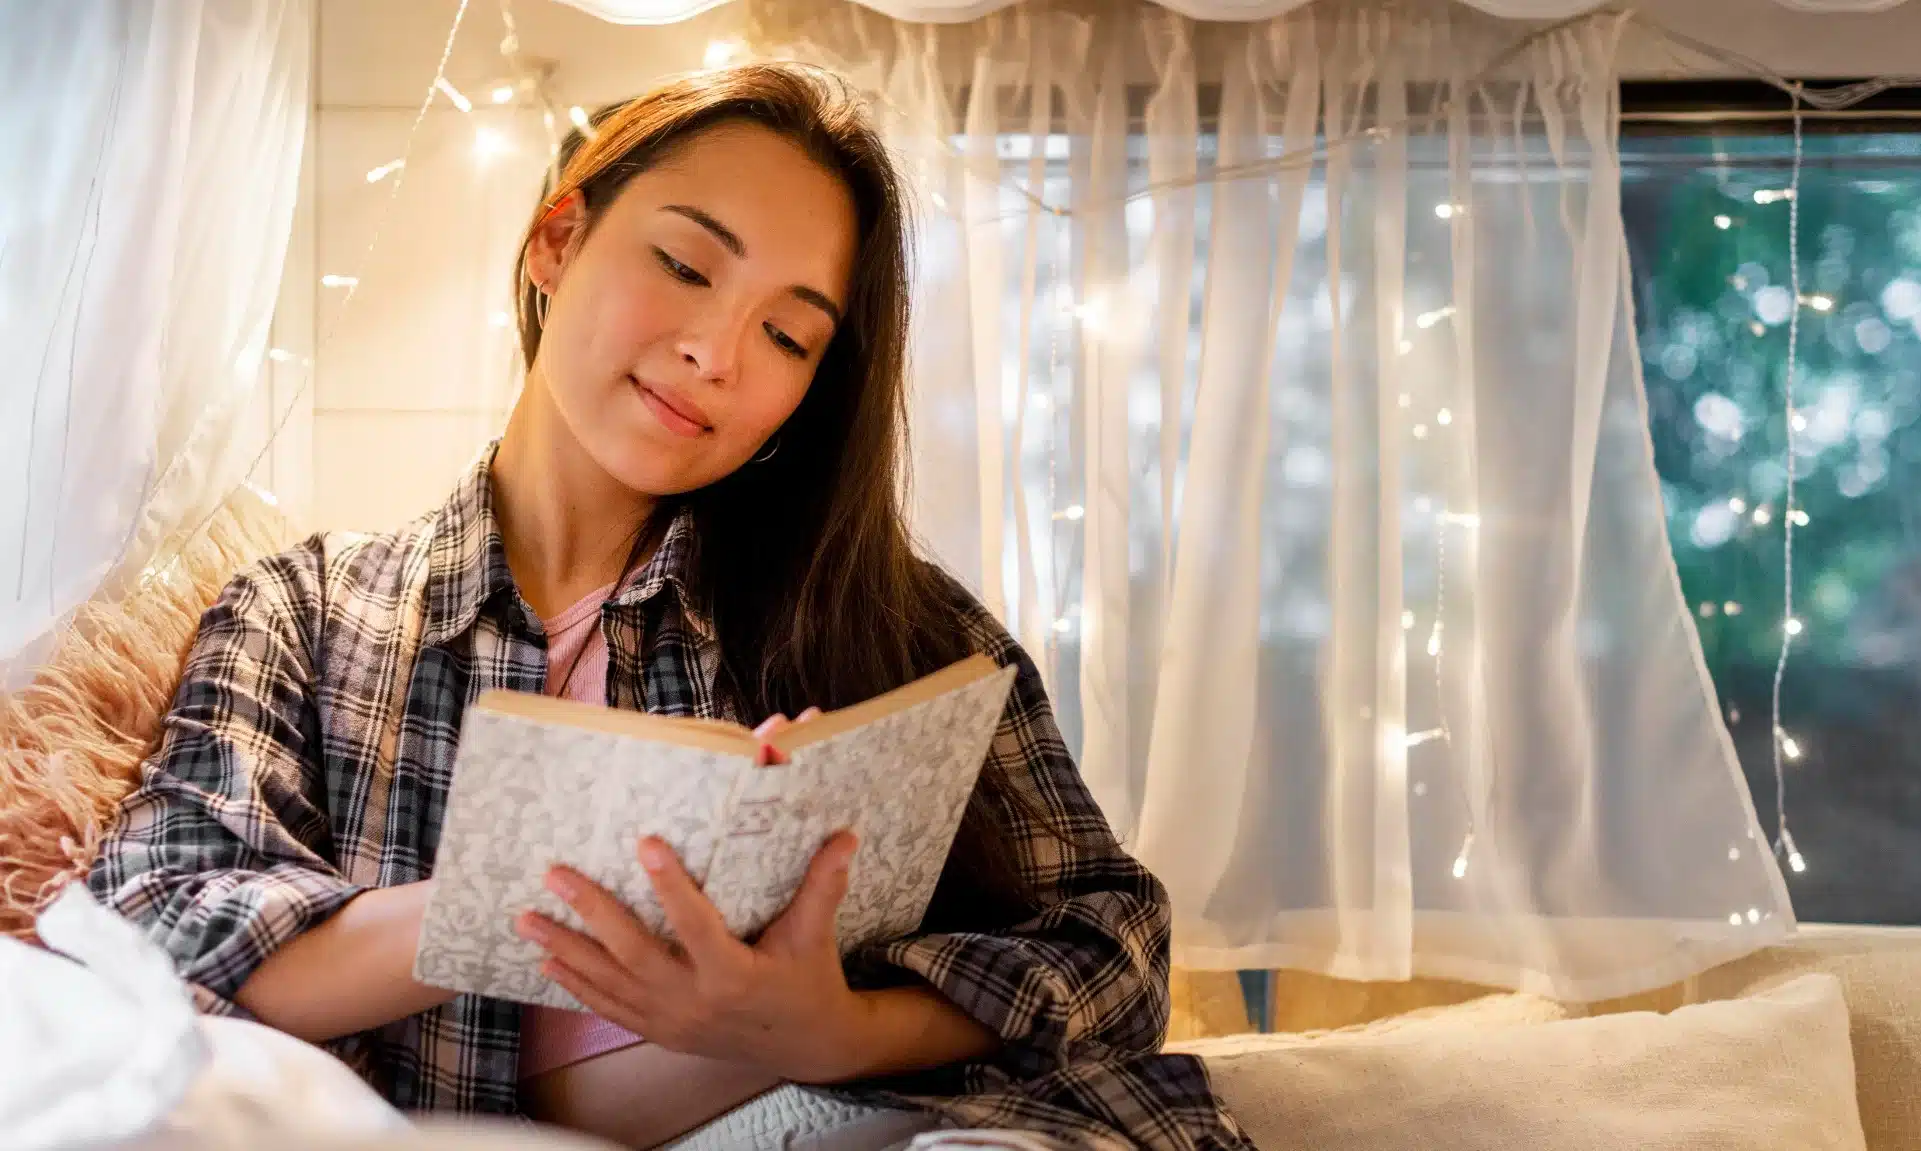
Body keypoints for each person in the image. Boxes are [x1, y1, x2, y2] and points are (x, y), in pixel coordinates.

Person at [88, 64, 1249, 1151]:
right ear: (558, 239)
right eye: (687, 267)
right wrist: (567, 866)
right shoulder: (310, 609)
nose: (712, 353)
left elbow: (1116, 947)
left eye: (787, 334)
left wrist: (834, 1027)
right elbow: (168, 921)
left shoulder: (889, 619)